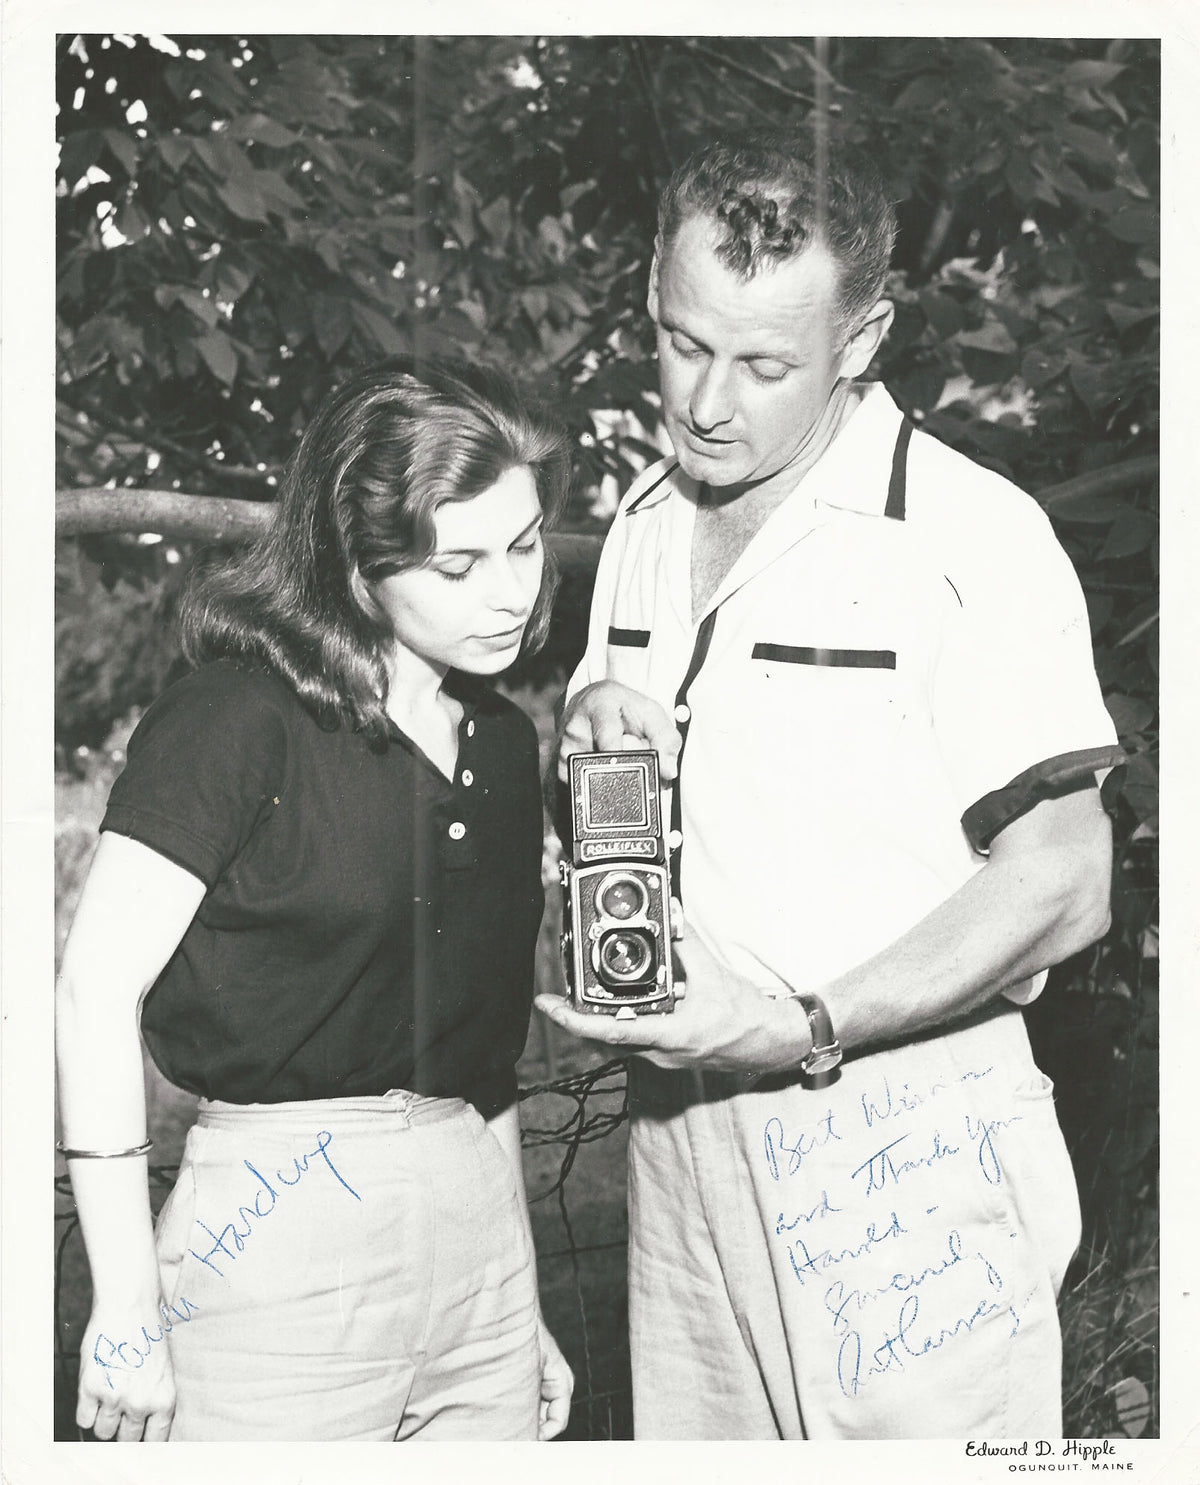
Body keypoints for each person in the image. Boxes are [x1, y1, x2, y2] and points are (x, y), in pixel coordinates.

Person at [537, 130, 1124, 1440]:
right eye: (686, 341)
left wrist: (803, 1022)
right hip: (680, 1143)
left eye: (764, 365)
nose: (706, 402)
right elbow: (623, 777)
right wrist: (585, 733)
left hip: (897, 1141)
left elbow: (1068, 881)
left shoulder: (967, 536)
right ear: (650, 285)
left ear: (862, 338)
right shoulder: (639, 520)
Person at [56, 357, 574, 1442]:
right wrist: (127, 1304)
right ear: (357, 565)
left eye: (523, 546)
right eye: (459, 564)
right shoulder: (237, 718)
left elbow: (486, 1063)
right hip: (274, 1237)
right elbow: (93, 992)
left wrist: (518, 1305)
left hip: (477, 1235)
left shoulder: (502, 741)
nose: (513, 592)